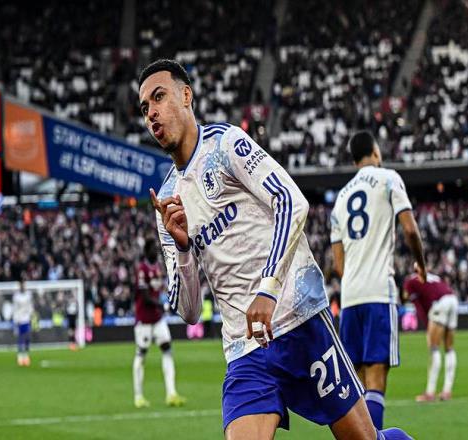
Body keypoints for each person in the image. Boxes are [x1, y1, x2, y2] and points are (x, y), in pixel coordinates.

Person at [140, 59, 411, 439]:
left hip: (300, 322)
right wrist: (184, 248)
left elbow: (291, 201)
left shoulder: (225, 144)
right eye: (144, 108)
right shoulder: (168, 200)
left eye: (159, 97)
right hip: (245, 349)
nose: (151, 112)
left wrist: (268, 289)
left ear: (186, 96)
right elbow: (189, 311)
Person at [330, 131, 426, 430]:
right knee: (376, 378)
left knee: (357, 382)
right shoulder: (388, 179)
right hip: (378, 292)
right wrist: (421, 265)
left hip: (350, 297)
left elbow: (339, 264)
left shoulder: (340, 199)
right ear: (375, 152)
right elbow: (409, 229)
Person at [133, 237, 185, 408]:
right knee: (141, 354)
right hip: (144, 320)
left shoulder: (158, 267)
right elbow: (145, 296)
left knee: (167, 350)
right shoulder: (142, 270)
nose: (156, 251)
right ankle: (138, 396)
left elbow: (159, 290)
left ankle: (171, 393)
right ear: (146, 251)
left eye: (156, 248)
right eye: (153, 249)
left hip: (157, 319)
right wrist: (161, 305)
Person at [403, 271, 458, 402]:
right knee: (449, 348)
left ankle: (430, 392)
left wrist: (428, 326)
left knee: (434, 347)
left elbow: (418, 306)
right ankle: (447, 391)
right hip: (453, 300)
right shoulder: (433, 277)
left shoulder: (409, 283)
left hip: (441, 303)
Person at [13, 277, 33, 367]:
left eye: (24, 284)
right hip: (19, 319)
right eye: (21, 284)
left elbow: (30, 306)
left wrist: (31, 314)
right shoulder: (16, 296)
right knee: (21, 338)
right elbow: (15, 308)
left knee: (27, 337)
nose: (23, 286)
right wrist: (15, 320)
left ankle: (26, 355)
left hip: (27, 318)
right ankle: (20, 357)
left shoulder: (28, 294)